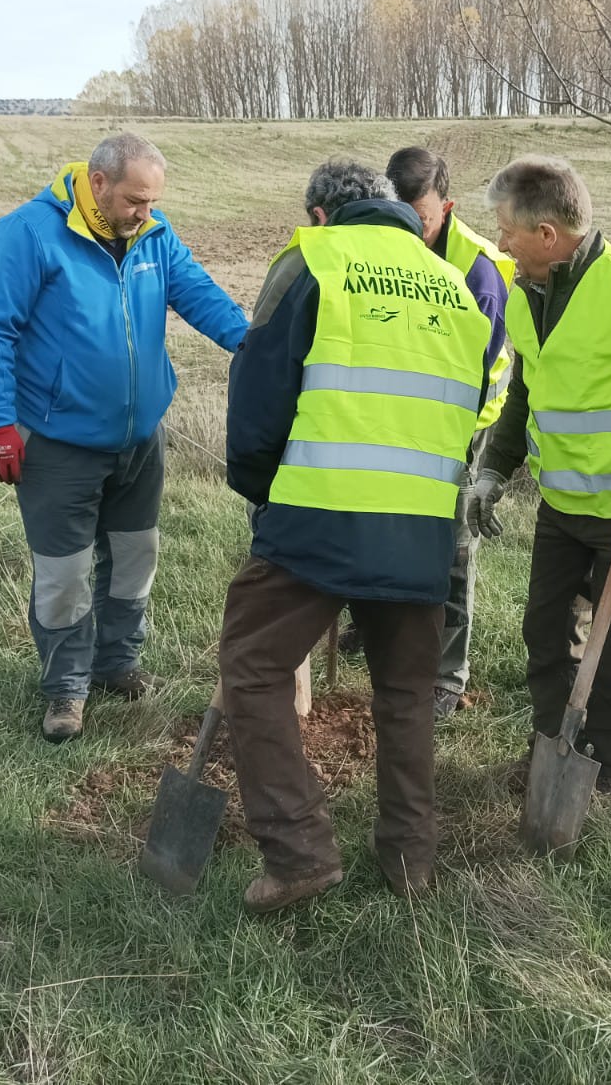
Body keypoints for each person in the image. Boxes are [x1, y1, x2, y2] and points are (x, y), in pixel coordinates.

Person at [220, 160, 491, 913]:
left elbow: (258, 394)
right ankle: (411, 860)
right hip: (424, 525)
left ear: (318, 212)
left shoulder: (311, 261)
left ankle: (300, 848)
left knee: (251, 665)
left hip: (318, 512)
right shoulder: (454, 286)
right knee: (407, 691)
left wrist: (262, 493)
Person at [0, 132, 247, 744]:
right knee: (64, 573)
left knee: (133, 558)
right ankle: (66, 689)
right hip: (58, 442)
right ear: (97, 184)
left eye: (151, 202)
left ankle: (116, 662)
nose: (144, 213)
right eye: (133, 200)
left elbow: (196, 291)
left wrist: (249, 343)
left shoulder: (152, 233)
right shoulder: (30, 233)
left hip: (139, 439)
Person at [465, 155, 611, 817]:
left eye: (508, 229)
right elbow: (524, 396)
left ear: (548, 234)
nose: (500, 241)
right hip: (563, 505)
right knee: (545, 633)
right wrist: (492, 469)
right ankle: (553, 746)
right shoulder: (523, 292)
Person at [384, 147, 514, 722]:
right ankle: (386, 624)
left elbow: (474, 373)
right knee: (390, 525)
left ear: (447, 207)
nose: (412, 227)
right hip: (405, 421)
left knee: (456, 551)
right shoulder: (386, 249)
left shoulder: (478, 270)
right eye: (402, 214)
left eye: (424, 216)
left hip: (465, 425)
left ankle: (448, 675)